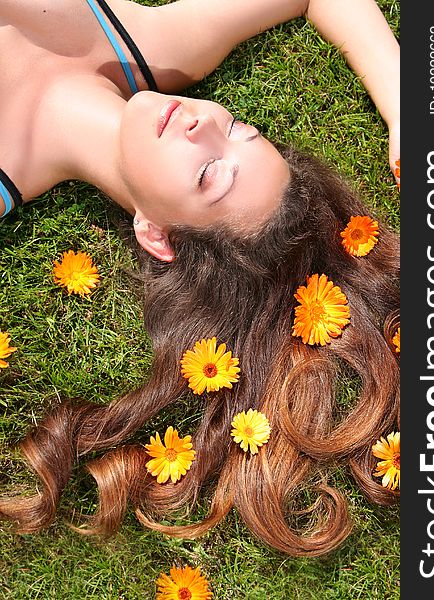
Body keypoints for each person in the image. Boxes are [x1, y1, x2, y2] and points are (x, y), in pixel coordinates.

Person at [0, 0, 400, 557]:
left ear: (157, 233)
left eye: (210, 174)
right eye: (239, 128)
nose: (202, 122)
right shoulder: (159, 47)